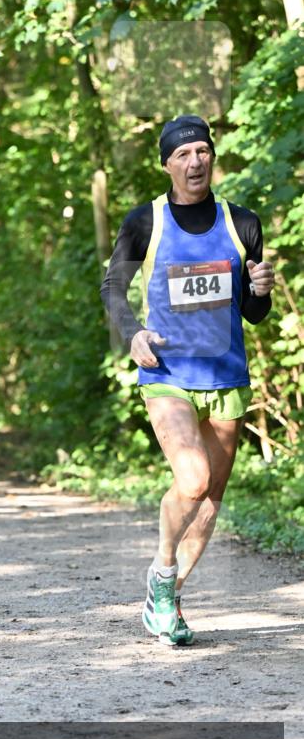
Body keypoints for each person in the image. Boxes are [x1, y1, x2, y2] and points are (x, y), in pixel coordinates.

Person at [101, 115, 275, 646]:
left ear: (212, 157)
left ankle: (167, 600)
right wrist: (131, 333)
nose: (195, 161)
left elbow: (253, 313)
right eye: (183, 154)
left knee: (211, 497)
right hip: (168, 373)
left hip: (227, 377)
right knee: (193, 478)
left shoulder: (242, 223)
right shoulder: (145, 222)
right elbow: (113, 287)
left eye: (202, 151)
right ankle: (161, 569)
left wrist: (261, 289)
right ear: (167, 164)